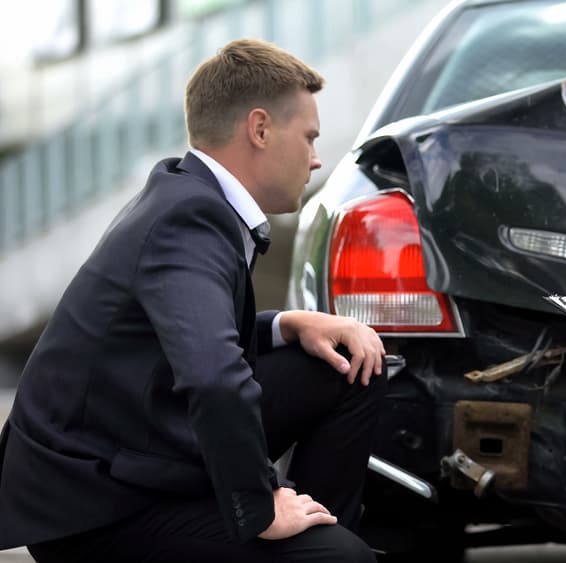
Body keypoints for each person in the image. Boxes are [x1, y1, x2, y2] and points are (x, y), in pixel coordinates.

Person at [0, 39, 388, 562]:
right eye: (310, 138)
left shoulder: (189, 197)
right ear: (260, 129)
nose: (317, 160)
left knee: (348, 365)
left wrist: (286, 323)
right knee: (341, 558)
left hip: (139, 444)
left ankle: (314, 534)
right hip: (97, 506)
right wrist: (260, 507)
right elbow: (212, 374)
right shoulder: (190, 220)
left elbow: (181, 342)